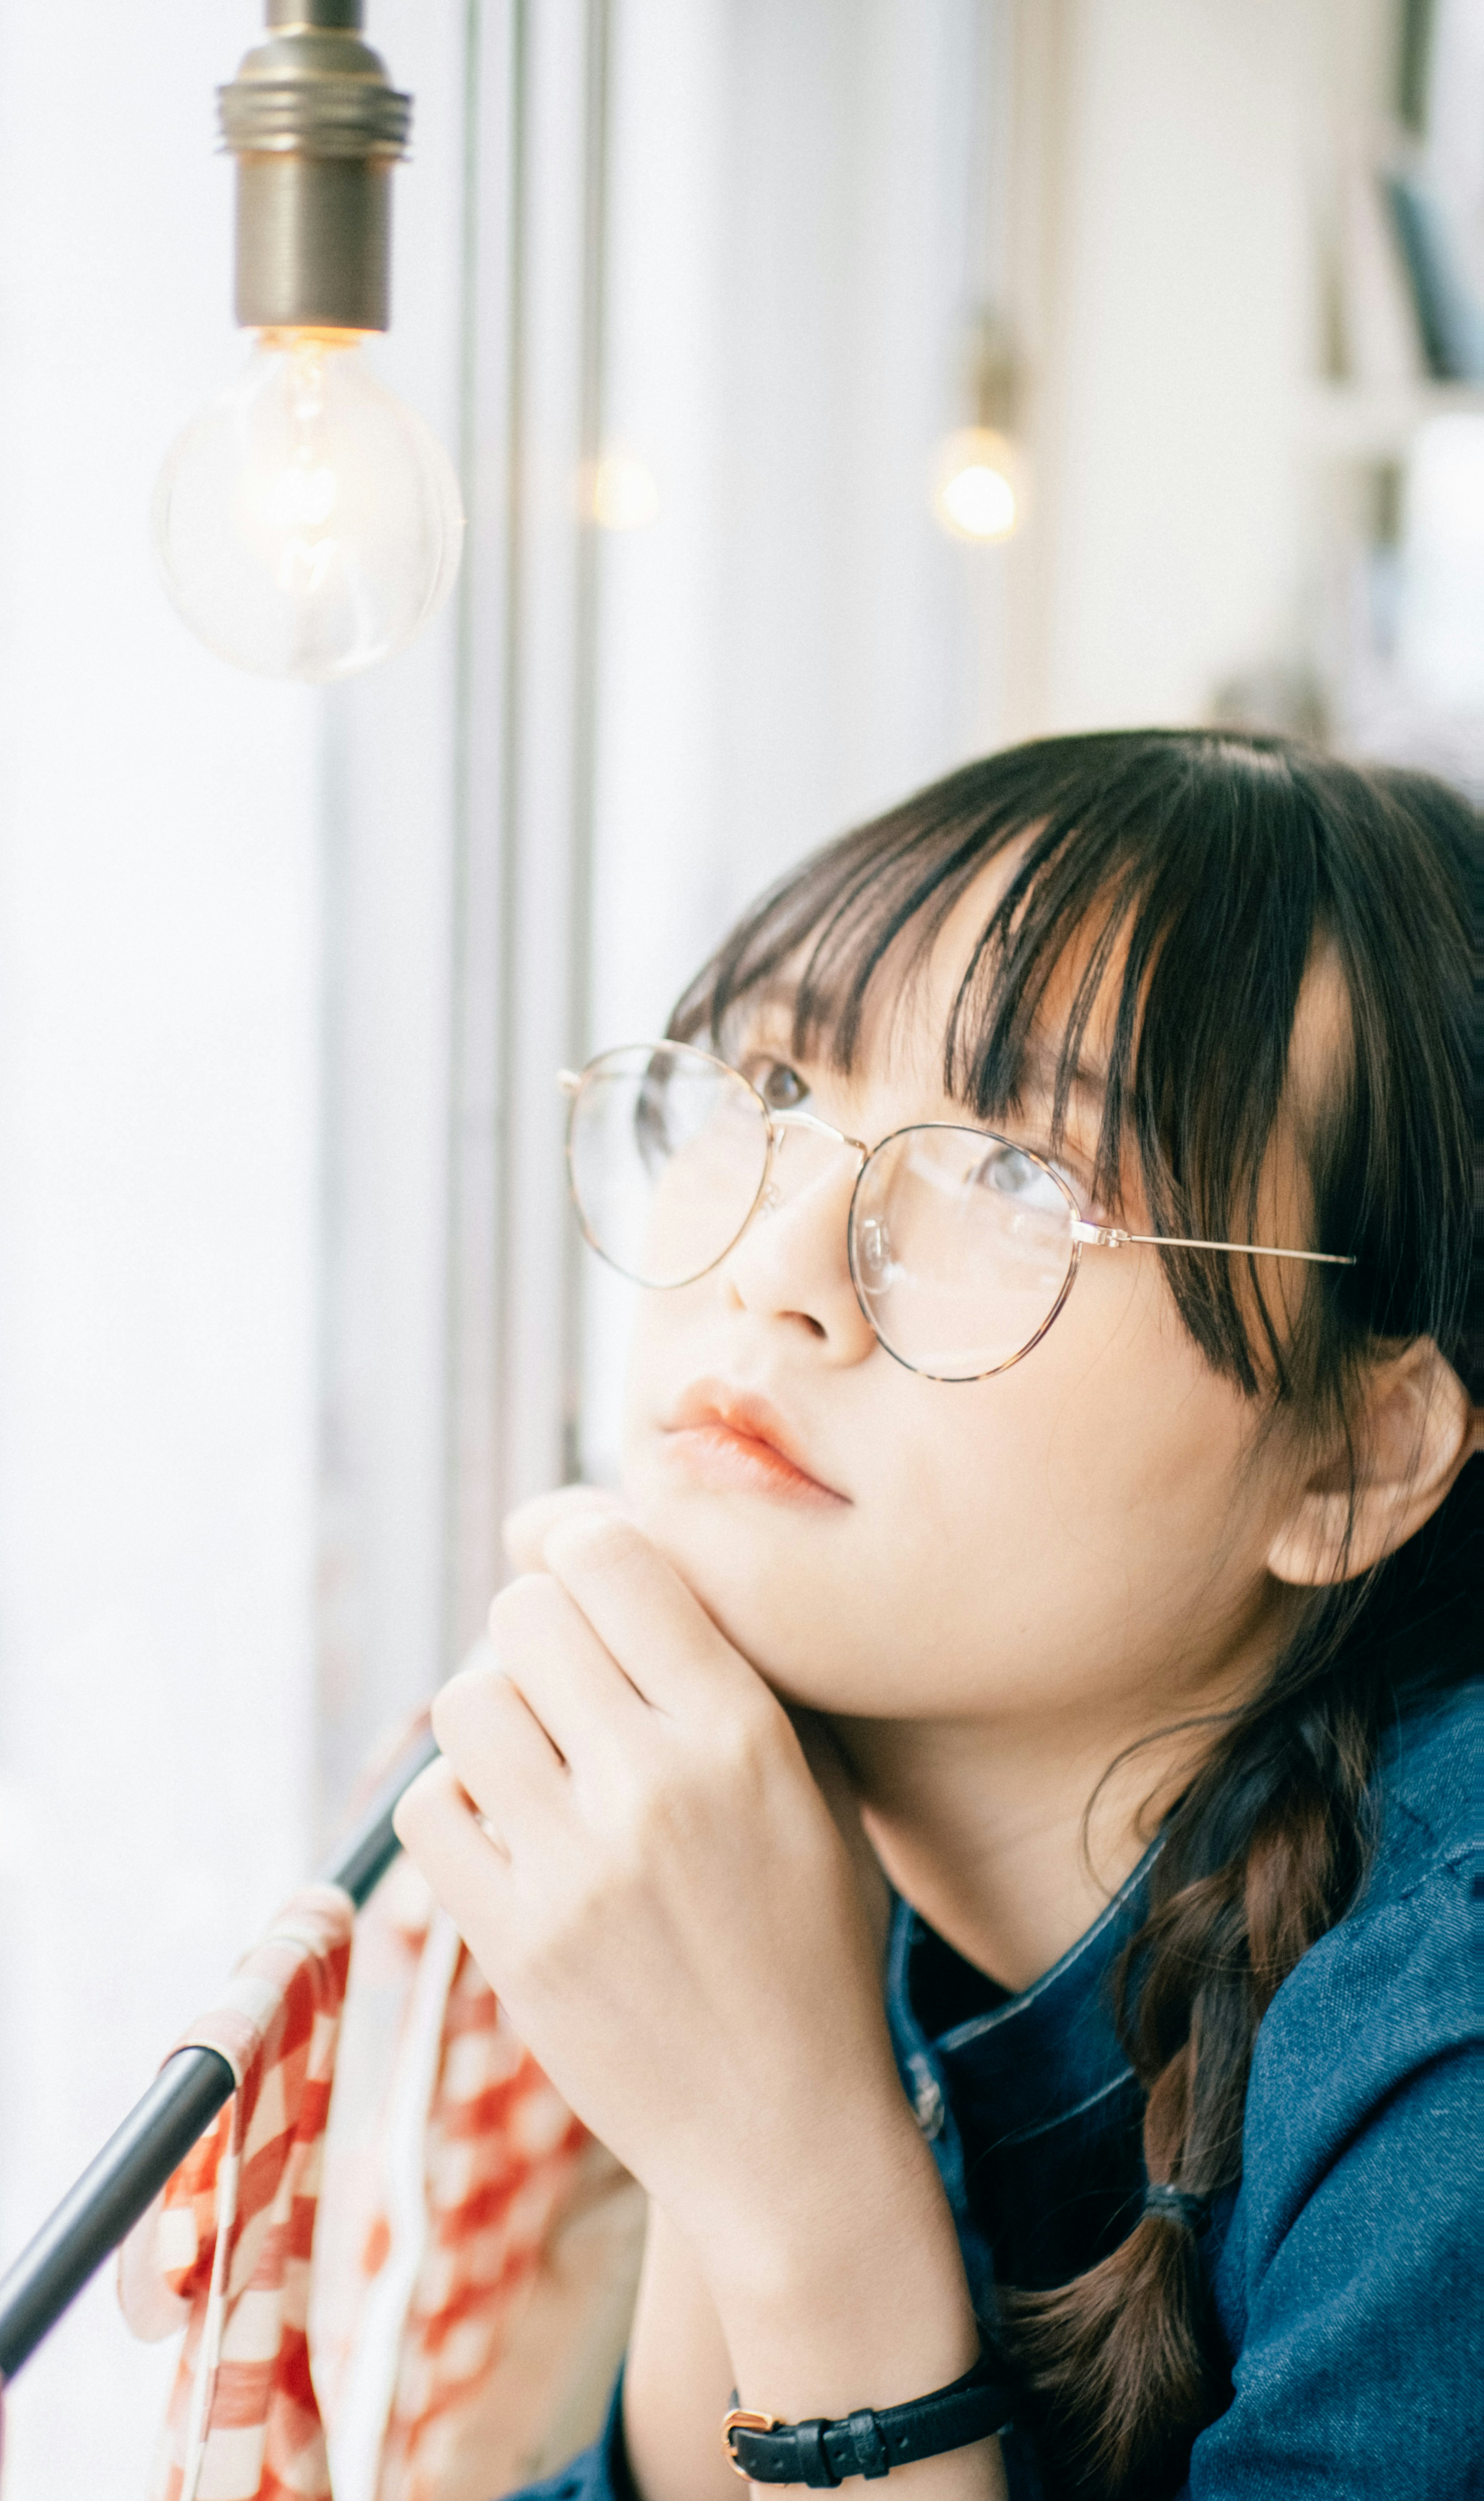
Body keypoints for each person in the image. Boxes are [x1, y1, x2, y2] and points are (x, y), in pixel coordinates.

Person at [391, 729, 1480, 2500]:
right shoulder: (838, 1824)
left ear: (1351, 1460)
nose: (777, 1257)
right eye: (770, 1090)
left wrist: (794, 2165)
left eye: (1015, 1177)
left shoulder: (1445, 2047)